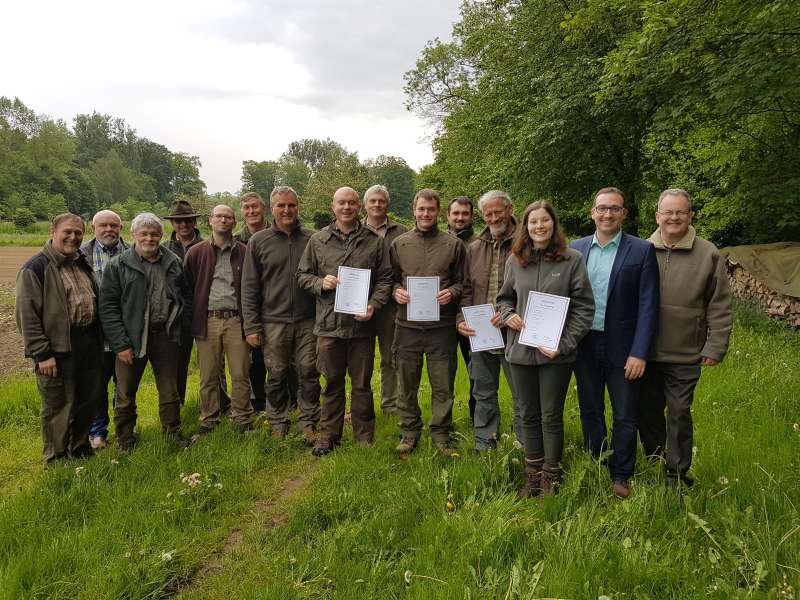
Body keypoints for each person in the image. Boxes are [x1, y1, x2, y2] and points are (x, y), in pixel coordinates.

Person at [497, 201, 594, 497]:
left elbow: (584, 308)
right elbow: (504, 299)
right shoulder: (515, 260)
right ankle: (533, 473)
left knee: (550, 415)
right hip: (519, 353)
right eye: (533, 222)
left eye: (545, 221)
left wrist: (563, 345)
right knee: (527, 414)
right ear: (525, 227)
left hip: (555, 356)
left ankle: (552, 475)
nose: (539, 226)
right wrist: (507, 315)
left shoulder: (572, 260)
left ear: (553, 224)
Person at [638, 188, 732, 488]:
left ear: (690, 216)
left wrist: (715, 345)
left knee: (678, 411)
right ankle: (655, 457)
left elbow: (719, 304)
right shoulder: (641, 250)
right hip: (644, 351)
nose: (674, 217)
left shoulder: (708, 254)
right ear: (658, 216)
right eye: (668, 212)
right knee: (646, 410)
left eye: (680, 212)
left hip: (685, 352)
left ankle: (676, 473)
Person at [571, 187, 660, 500]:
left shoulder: (641, 250)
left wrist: (640, 352)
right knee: (589, 408)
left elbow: (649, 306)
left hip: (623, 348)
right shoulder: (575, 249)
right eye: (602, 208)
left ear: (624, 213)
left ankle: (621, 473)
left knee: (624, 413)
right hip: (583, 344)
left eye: (614, 209)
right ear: (592, 212)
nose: (607, 214)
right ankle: (596, 461)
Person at [297, 187, 393, 455]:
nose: (347, 207)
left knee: (362, 385)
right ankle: (328, 436)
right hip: (328, 326)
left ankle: (364, 437)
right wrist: (320, 282)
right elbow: (302, 275)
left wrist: (373, 305)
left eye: (352, 202)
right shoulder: (318, 241)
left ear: (358, 207)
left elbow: (386, 279)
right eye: (342, 203)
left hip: (361, 326)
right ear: (333, 206)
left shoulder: (374, 241)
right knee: (332, 383)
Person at [16, 213, 105, 465]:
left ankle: (79, 450)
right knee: (57, 406)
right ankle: (56, 459)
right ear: (52, 232)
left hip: (87, 342)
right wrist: (42, 354)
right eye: (67, 231)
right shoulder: (36, 268)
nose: (73, 237)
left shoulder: (80, 263)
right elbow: (27, 315)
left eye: (78, 232)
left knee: (87, 398)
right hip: (57, 348)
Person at [100, 213, 192, 452]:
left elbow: (184, 297)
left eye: (154, 234)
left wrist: (180, 328)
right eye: (144, 234)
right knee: (125, 392)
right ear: (133, 236)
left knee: (169, 389)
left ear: (161, 236)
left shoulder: (173, 262)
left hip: (165, 335)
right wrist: (120, 343)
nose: (149, 238)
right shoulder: (118, 265)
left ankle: (172, 434)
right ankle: (125, 440)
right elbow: (108, 307)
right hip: (132, 337)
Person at [241, 186, 321, 445]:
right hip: (273, 321)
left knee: (309, 372)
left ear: (298, 207)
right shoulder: (258, 241)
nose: (286, 210)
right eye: (281, 206)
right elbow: (249, 286)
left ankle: (309, 421)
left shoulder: (313, 239)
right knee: (275, 374)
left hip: (308, 319)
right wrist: (251, 326)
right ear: (272, 209)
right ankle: (278, 420)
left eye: (291, 205)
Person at [390, 188, 466, 456]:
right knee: (407, 383)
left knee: (443, 384)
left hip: (441, 328)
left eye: (430, 209)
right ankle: (409, 431)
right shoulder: (399, 244)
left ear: (438, 211)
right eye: (421, 209)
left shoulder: (453, 244)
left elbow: (462, 282)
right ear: (414, 209)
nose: (425, 214)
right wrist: (395, 291)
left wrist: (453, 292)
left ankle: (441, 433)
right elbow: (389, 279)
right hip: (407, 327)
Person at [456, 190, 522, 452]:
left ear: (509, 209)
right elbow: (467, 288)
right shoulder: (475, 248)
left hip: (515, 329)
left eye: (498, 212)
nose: (494, 218)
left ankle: (525, 443)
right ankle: (485, 442)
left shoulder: (525, 241)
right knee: (482, 390)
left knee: (522, 392)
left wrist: (514, 314)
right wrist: (461, 317)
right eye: (488, 214)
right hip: (481, 330)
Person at [184, 205, 255, 440]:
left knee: (240, 373)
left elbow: (253, 287)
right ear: (210, 221)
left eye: (228, 216)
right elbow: (188, 287)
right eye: (218, 216)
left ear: (234, 222)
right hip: (208, 320)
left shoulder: (245, 252)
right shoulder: (196, 253)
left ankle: (243, 418)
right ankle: (209, 419)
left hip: (236, 320)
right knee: (208, 375)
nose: (223, 220)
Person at [163, 199, 230, 410]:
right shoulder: (164, 249)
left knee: (213, 363)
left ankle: (221, 402)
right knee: (178, 362)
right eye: (179, 221)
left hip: (206, 312)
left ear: (195, 222)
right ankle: (178, 403)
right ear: (172, 223)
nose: (183, 225)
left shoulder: (208, 245)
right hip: (177, 316)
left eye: (188, 221)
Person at [82, 209, 128, 450]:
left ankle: (124, 432)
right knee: (97, 386)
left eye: (114, 225)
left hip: (124, 334)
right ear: (94, 228)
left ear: (121, 228)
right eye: (104, 226)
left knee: (123, 386)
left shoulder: (132, 253)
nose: (109, 230)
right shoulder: (81, 256)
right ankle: (97, 433)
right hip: (95, 336)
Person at [362, 184, 408, 415]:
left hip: (391, 305)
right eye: (373, 201)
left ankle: (390, 404)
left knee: (391, 356)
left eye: (381, 201)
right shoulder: (355, 229)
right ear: (365, 204)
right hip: (360, 304)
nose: (377, 205)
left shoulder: (402, 232)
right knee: (361, 358)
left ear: (387, 205)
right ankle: (361, 405)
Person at [447, 196, 478, 420]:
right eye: (455, 213)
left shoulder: (479, 244)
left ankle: (478, 418)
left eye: (464, 213)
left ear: (472, 216)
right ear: (447, 216)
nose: (460, 218)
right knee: (444, 372)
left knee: (476, 371)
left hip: (472, 317)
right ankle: (444, 419)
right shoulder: (438, 241)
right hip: (443, 317)